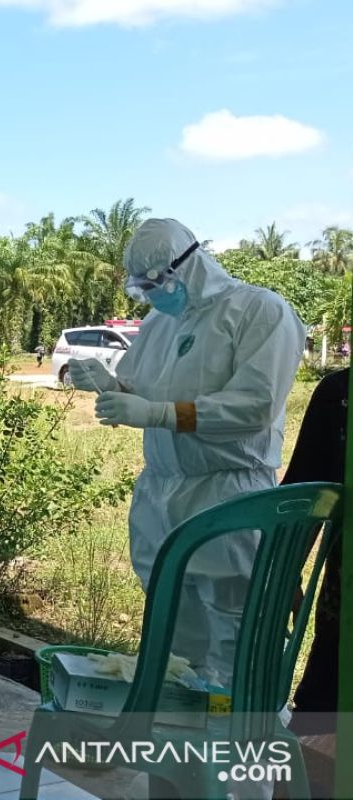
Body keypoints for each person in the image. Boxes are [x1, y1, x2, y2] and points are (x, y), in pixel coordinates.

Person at [70, 217, 304, 688]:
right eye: (142, 288)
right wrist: (108, 384)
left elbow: (253, 407)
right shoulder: (161, 321)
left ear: (190, 264)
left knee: (236, 637)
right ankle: (178, 750)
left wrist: (159, 415)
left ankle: (239, 747)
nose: (152, 295)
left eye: (157, 283)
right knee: (173, 640)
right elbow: (139, 386)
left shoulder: (259, 311)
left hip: (228, 492)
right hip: (161, 492)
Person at [279, 367, 345, 736]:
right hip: (343, 618)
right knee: (320, 725)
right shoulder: (340, 395)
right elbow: (304, 494)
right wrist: (286, 574)